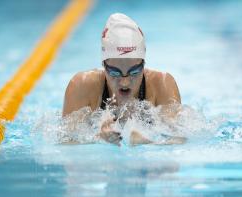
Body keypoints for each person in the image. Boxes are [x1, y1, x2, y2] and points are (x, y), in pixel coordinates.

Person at [62, 13, 184, 146]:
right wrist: (98, 138)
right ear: (104, 65)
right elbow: (67, 145)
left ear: (144, 63)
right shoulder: (81, 86)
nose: (125, 82)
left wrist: (147, 143)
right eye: (115, 73)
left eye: (134, 71)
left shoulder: (162, 85)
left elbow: (178, 140)